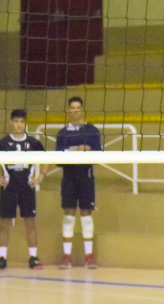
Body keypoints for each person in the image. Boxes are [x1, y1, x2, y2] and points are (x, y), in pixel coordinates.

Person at [0, 108, 48, 271]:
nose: (19, 125)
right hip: (9, 187)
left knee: (30, 222)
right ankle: (1, 258)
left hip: (27, 187)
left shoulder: (34, 143)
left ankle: (33, 258)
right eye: (16, 121)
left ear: (25, 123)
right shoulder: (2, 143)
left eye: (21, 122)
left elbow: (47, 159)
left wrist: (40, 176)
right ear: (11, 123)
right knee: (4, 223)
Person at [55, 96, 103, 269]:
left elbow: (99, 154)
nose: (75, 111)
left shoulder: (91, 131)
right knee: (68, 216)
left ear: (82, 110)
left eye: (78, 108)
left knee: (86, 217)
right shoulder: (62, 133)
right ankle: (66, 255)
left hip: (86, 177)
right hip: (69, 178)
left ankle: (88, 256)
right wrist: (73, 151)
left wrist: (88, 149)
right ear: (68, 110)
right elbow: (58, 160)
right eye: (72, 108)